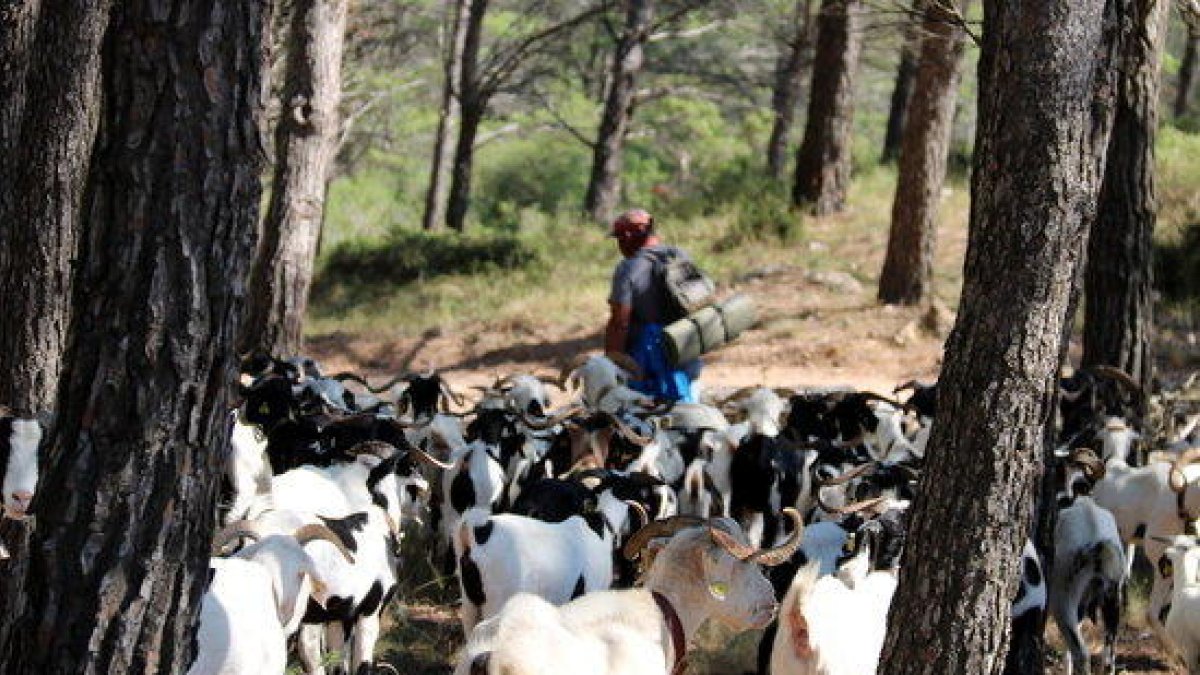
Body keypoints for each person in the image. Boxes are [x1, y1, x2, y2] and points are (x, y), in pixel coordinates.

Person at [605, 208, 701, 402]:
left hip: (650, 362)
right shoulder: (679, 255)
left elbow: (620, 323)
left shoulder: (628, 268)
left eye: (619, 239)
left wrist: (611, 363)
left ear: (627, 237)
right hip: (686, 348)